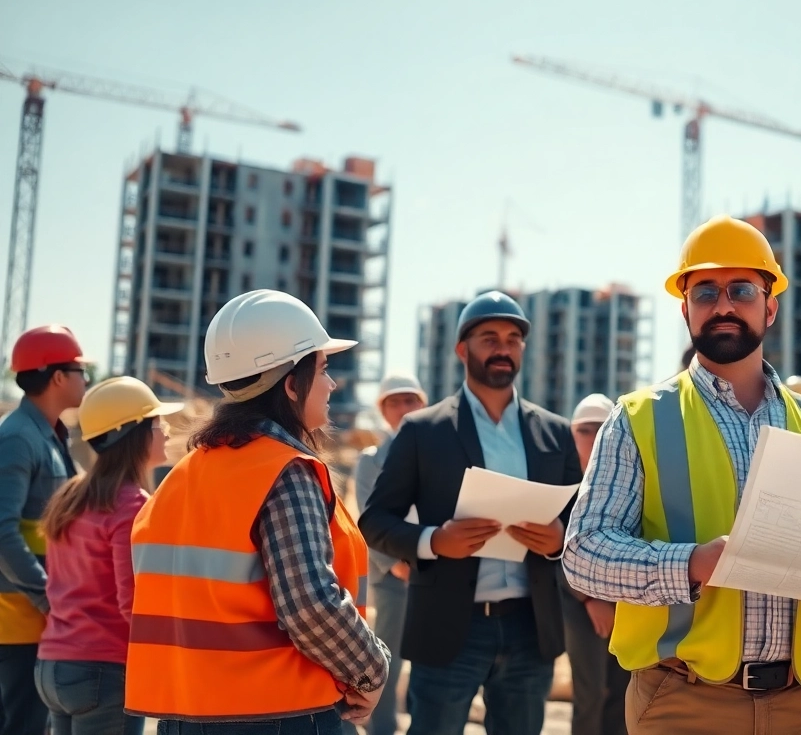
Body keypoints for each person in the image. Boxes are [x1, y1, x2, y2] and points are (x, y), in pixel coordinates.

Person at [564, 215, 801, 734]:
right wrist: (693, 564)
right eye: (705, 291)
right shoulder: (637, 419)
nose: (723, 305)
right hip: (683, 702)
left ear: (770, 306)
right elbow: (583, 555)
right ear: (685, 309)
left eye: (742, 289)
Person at [124, 289, 389, 733]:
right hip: (279, 714)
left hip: (185, 713)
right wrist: (371, 670)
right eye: (323, 369)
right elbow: (309, 604)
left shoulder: (183, 476)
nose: (332, 384)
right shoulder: (284, 470)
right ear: (290, 383)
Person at [359, 290, 583, 735]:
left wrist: (560, 542)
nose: (503, 347)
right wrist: (433, 541)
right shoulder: (423, 430)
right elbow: (375, 521)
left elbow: (583, 526)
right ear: (463, 349)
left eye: (513, 339)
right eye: (489, 338)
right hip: (448, 630)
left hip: (529, 629)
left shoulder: (556, 433)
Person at [36, 377, 181, 735]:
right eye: (157, 423)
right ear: (134, 434)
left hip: (54, 665)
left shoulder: (72, 494)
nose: (166, 431)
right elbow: (134, 603)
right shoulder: (132, 504)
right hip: (103, 672)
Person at [0, 325, 88, 735]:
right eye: (79, 370)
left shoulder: (50, 436)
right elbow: (2, 534)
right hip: (16, 622)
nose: (86, 379)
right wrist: (48, 597)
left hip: (37, 620)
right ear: (57, 377)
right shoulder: (18, 438)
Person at [354, 373, 429, 735]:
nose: (403, 408)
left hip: (435, 573)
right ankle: (382, 729)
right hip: (392, 579)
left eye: (410, 400)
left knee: (431, 660)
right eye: (395, 401)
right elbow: (367, 518)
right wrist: (396, 565)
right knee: (389, 662)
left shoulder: (437, 454)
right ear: (382, 410)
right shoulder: (370, 461)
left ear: (423, 404)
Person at [559, 393, 630, 735]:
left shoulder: (630, 482)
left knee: (623, 691)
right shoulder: (558, 485)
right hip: (578, 605)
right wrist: (590, 599)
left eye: (601, 428)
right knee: (589, 692)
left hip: (626, 603)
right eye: (585, 430)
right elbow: (551, 554)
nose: (594, 436)